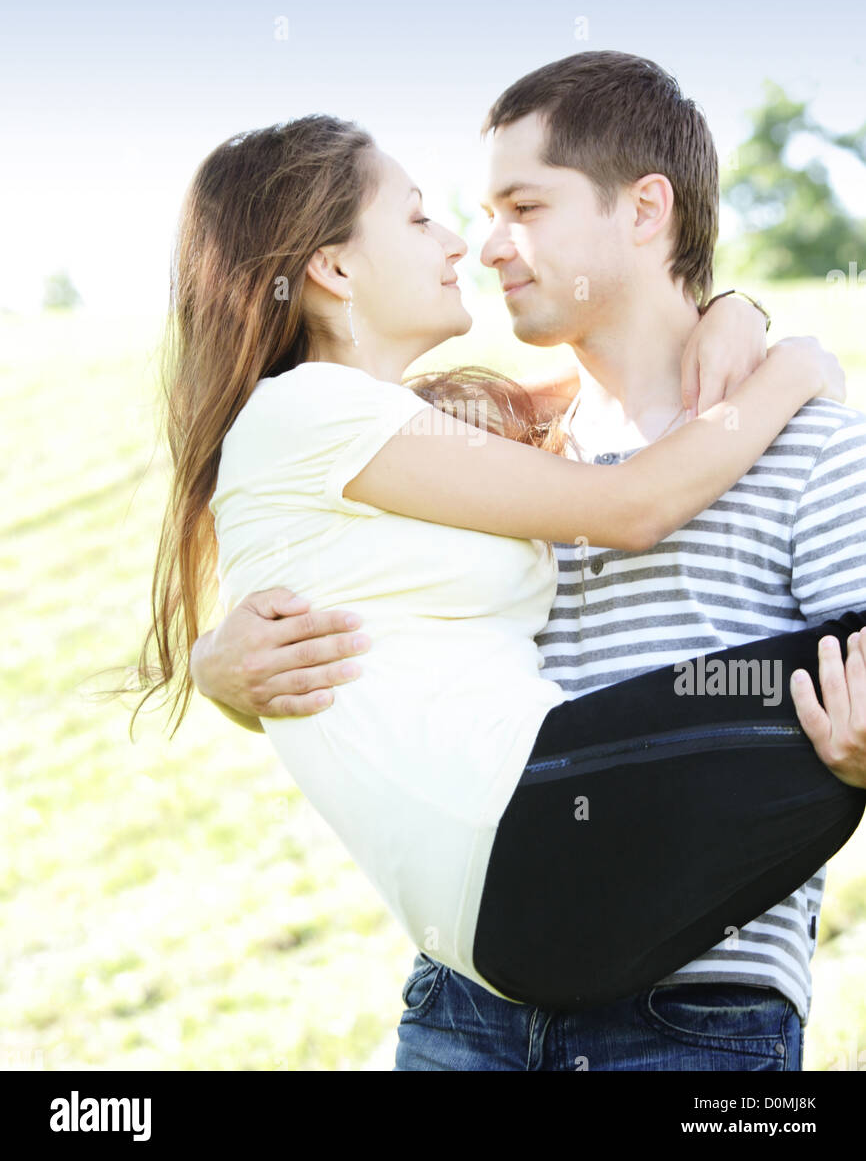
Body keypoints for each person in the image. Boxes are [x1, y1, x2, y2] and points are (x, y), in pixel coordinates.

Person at [190, 53, 866, 1071]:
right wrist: (220, 674)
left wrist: (762, 339)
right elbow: (375, 597)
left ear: (644, 210)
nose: (482, 245)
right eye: (449, 214)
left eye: (521, 206)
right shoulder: (490, 450)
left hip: (693, 1015)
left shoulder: (811, 448)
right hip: (467, 1004)